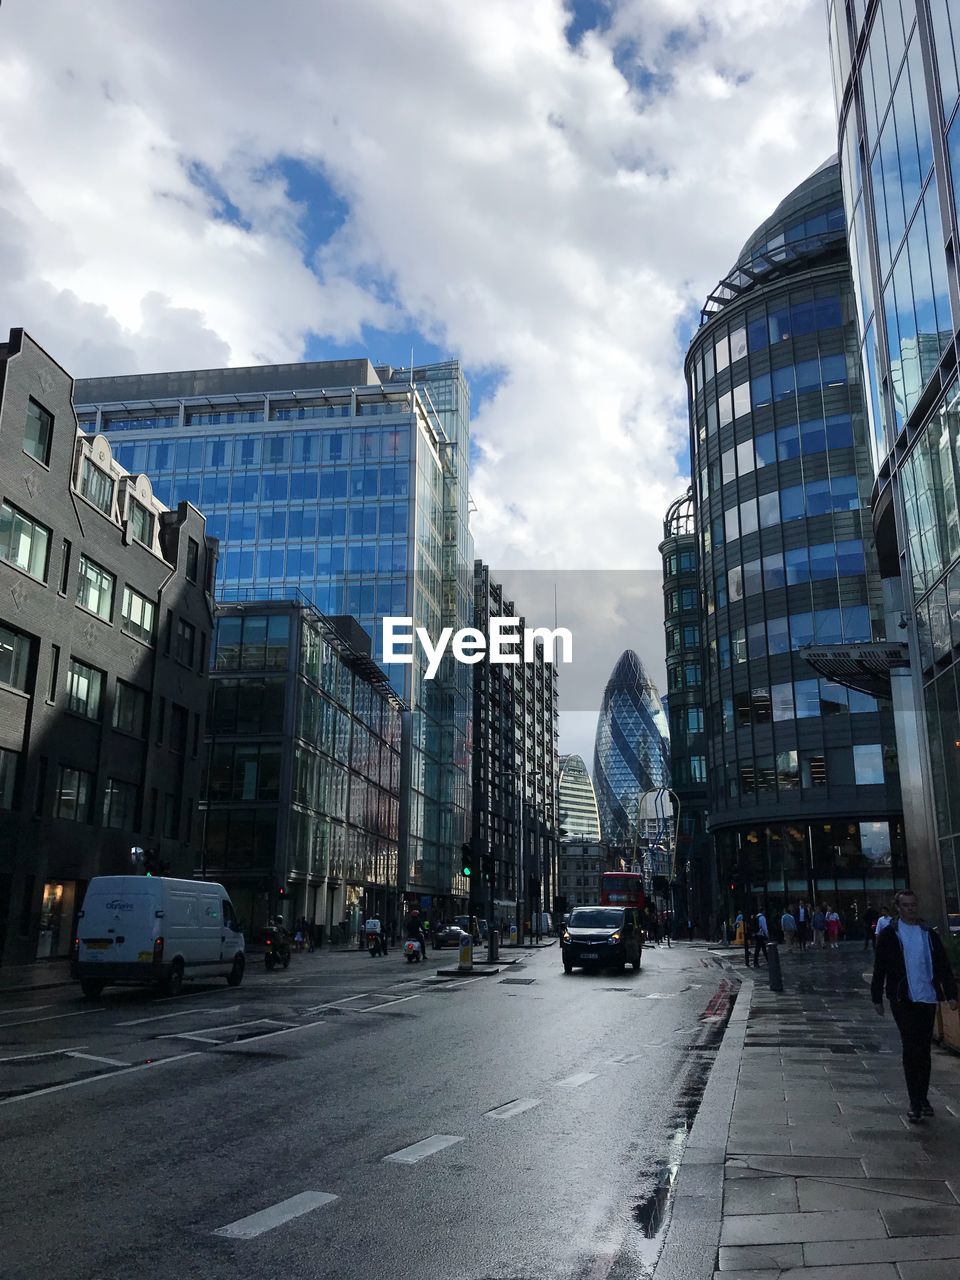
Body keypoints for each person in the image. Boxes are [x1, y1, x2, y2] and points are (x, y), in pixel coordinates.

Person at [872, 889, 958, 1122]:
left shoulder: (928, 934)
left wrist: (951, 994)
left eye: (913, 905)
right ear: (897, 908)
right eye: (906, 905)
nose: (910, 909)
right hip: (903, 998)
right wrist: (876, 997)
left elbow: (942, 965)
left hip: (927, 997)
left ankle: (923, 1096)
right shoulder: (891, 934)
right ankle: (915, 1101)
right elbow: (880, 966)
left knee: (923, 1049)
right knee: (911, 1048)